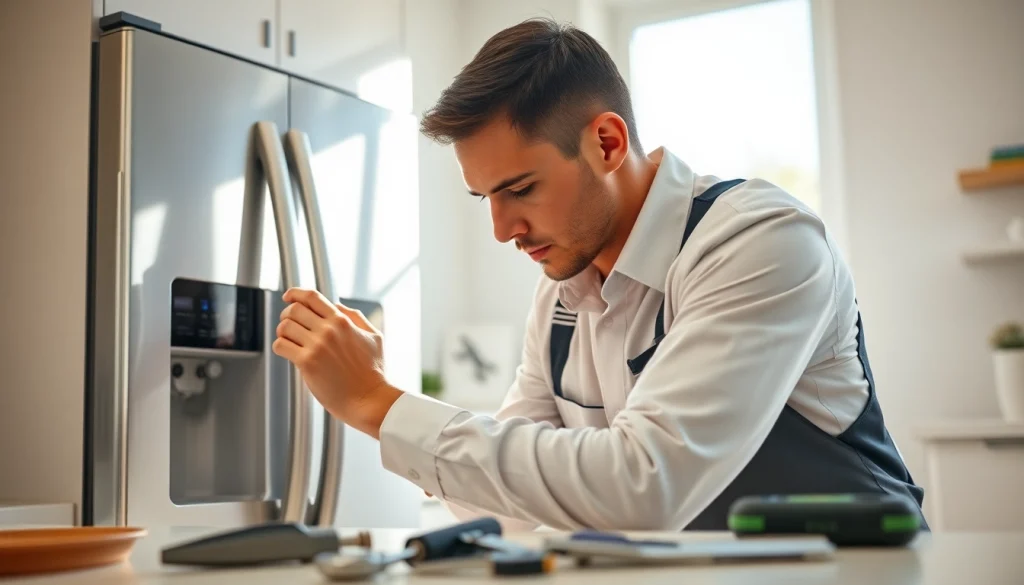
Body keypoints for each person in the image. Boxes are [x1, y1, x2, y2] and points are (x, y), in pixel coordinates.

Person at [272, 17, 927, 531]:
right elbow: (514, 505)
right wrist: (389, 413)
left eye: (520, 189)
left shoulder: (758, 241)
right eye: (486, 200)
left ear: (607, 143)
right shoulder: (560, 296)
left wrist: (377, 402)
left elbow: (646, 486)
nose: (502, 229)